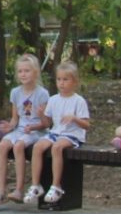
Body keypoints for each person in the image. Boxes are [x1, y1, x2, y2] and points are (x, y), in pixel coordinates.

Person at [24, 62, 90, 206]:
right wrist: (41, 115)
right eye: (59, 79)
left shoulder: (78, 101)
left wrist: (74, 118)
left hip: (72, 135)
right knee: (37, 147)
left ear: (75, 81)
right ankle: (36, 185)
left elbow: (87, 125)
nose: (62, 83)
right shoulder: (53, 99)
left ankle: (56, 186)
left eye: (66, 80)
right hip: (55, 133)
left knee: (57, 148)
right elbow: (47, 123)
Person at [0, 54, 49, 205]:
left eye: (27, 71)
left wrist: (36, 124)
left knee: (18, 146)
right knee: (3, 145)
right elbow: (15, 118)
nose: (23, 74)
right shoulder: (15, 93)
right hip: (20, 130)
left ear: (35, 72)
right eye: (20, 71)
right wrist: (9, 126)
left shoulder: (42, 94)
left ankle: (19, 189)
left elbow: (46, 123)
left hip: (36, 131)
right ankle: (2, 190)